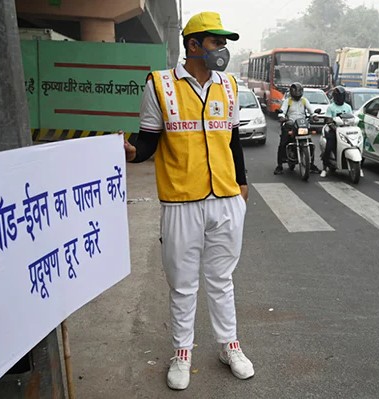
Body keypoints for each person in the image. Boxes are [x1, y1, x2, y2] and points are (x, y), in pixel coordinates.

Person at [123, 11, 254, 391]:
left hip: (226, 200)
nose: (222, 50)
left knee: (222, 279)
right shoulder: (160, 85)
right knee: (183, 284)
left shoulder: (228, 86)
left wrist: (242, 188)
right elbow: (148, 140)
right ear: (193, 45)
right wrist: (132, 152)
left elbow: (233, 141)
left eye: (224, 43)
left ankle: (229, 346)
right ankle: (182, 353)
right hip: (181, 201)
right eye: (216, 42)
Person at [273, 82, 321, 175]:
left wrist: (314, 116)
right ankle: (279, 166)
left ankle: (311, 165)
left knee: (310, 144)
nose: (297, 94)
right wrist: (282, 117)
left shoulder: (304, 101)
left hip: (302, 125)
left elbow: (311, 111)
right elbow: (282, 111)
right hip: (290, 125)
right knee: (283, 143)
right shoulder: (288, 101)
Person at [320, 86, 353, 178]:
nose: (340, 98)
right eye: (339, 96)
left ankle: (358, 167)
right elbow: (328, 120)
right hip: (334, 131)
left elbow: (352, 118)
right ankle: (324, 168)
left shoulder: (348, 107)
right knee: (329, 146)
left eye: (342, 96)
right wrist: (335, 128)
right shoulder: (331, 107)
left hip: (346, 131)